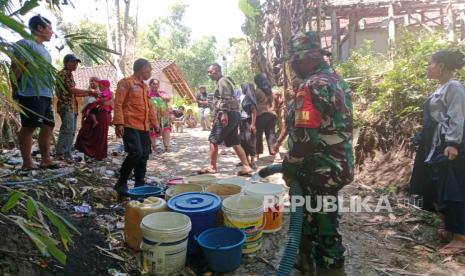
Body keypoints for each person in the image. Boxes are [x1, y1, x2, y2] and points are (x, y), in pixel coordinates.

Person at [281, 31, 354, 274]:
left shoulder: (311, 86)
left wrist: (289, 166)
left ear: (303, 59)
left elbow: (305, 138)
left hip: (319, 168)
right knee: (315, 218)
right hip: (337, 164)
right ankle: (306, 263)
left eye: (293, 61)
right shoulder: (335, 80)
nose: (292, 66)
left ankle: (331, 269)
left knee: (324, 226)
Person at [409, 50, 465, 256]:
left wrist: (452, 143)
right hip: (435, 144)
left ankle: (460, 238)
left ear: (441, 66)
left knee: (452, 187)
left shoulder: (454, 87)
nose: (427, 67)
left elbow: (457, 116)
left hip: (449, 145)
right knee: (437, 186)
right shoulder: (441, 88)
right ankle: (449, 229)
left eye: (430, 63)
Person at [11, 15, 58, 170]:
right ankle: (27, 163)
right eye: (49, 28)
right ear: (40, 28)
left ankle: (46, 159)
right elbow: (16, 68)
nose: (52, 32)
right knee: (29, 127)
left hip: (44, 94)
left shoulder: (44, 50)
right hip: (30, 93)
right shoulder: (26, 44)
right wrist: (15, 91)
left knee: (48, 125)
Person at [113, 59, 158, 197]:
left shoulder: (145, 87)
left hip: (144, 126)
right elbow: (118, 103)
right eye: (149, 69)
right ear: (142, 68)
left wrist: (155, 123)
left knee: (144, 155)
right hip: (130, 124)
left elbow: (149, 107)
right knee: (135, 153)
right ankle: (121, 182)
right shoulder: (126, 82)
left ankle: (140, 184)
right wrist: (119, 123)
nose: (150, 72)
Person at [198, 63, 252, 175]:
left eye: (211, 72)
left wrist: (224, 113)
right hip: (234, 114)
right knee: (235, 141)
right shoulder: (223, 81)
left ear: (217, 71)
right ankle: (246, 166)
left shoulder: (222, 81)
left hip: (228, 113)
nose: (209, 74)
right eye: (208, 72)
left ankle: (212, 166)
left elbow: (225, 97)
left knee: (213, 139)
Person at [55, 54, 98, 162]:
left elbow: (74, 93)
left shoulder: (70, 75)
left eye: (76, 63)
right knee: (67, 130)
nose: (75, 65)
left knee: (72, 130)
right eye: (73, 62)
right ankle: (61, 154)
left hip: (72, 106)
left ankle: (67, 153)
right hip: (66, 106)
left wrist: (90, 94)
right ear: (66, 63)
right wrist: (89, 91)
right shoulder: (63, 73)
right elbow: (72, 90)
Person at [74, 79, 112, 161]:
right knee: (85, 132)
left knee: (99, 135)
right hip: (90, 115)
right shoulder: (89, 92)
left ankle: (97, 154)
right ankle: (86, 152)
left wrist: (97, 102)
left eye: (94, 81)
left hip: (102, 114)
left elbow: (107, 102)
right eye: (90, 81)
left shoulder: (106, 93)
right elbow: (84, 102)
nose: (92, 83)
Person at [254, 73, 280, 161]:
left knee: (258, 135)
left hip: (260, 114)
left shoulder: (257, 91)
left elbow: (254, 104)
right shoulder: (270, 90)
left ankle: (257, 155)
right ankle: (277, 154)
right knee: (271, 134)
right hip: (271, 114)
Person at [148, 79, 171, 153]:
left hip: (163, 117)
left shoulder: (162, 92)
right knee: (151, 130)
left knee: (166, 130)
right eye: (153, 84)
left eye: (157, 84)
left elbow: (167, 99)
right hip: (152, 116)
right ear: (150, 84)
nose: (155, 85)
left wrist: (159, 94)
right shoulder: (147, 93)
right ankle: (154, 147)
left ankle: (166, 147)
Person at [239, 82, 257, 169]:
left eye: (242, 87)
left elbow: (254, 112)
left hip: (248, 121)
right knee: (242, 141)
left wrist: (253, 124)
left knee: (250, 141)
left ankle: (253, 161)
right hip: (242, 121)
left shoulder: (250, 99)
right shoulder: (243, 97)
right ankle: (246, 160)